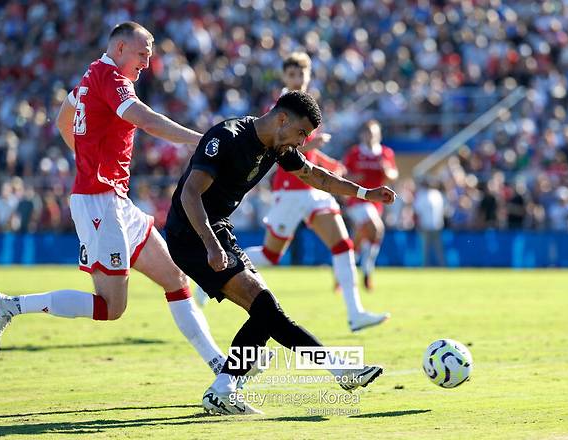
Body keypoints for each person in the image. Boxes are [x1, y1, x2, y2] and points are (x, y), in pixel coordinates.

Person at [0, 22, 227, 376]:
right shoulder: (110, 78)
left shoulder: (90, 76)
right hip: (98, 202)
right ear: (121, 48)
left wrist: (87, 159)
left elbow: (64, 120)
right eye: (142, 54)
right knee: (112, 308)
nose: (147, 62)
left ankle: (220, 366)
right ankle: (7, 306)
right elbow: (146, 120)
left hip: (115, 200)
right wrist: (198, 140)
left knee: (176, 279)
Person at [165, 90, 397, 415]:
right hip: (190, 233)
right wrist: (210, 245)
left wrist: (365, 193)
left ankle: (224, 388)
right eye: (302, 133)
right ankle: (339, 369)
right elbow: (190, 194)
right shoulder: (227, 136)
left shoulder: (277, 146)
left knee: (264, 312)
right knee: (267, 310)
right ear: (282, 118)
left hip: (218, 230)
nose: (302, 142)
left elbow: (315, 176)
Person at [197, 51, 389, 333]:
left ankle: (355, 313)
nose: (298, 79)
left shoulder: (308, 106)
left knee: (342, 244)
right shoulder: (283, 108)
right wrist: (315, 148)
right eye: (292, 74)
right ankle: (217, 272)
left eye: (302, 74)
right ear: (284, 77)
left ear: (309, 75)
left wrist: (327, 162)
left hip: (312, 191)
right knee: (271, 254)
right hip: (289, 190)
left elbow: (307, 159)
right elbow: (283, 150)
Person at [342, 119, 399, 289]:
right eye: (367, 133)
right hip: (357, 200)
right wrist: (354, 178)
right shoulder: (354, 153)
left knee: (365, 235)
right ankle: (367, 270)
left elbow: (394, 174)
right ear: (362, 134)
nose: (370, 137)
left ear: (379, 135)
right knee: (376, 229)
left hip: (376, 203)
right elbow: (341, 175)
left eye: (373, 133)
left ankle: (347, 263)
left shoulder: (385, 153)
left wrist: (387, 171)